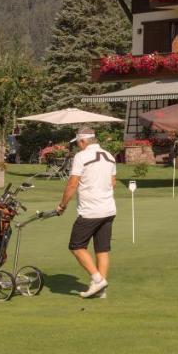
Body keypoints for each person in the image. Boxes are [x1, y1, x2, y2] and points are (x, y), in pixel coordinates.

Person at [56, 127, 117, 299]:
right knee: (102, 249)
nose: (78, 146)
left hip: (90, 212)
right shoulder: (109, 156)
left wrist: (62, 205)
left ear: (82, 141)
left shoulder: (81, 156)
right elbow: (113, 182)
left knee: (76, 246)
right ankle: (101, 290)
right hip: (109, 210)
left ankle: (97, 280)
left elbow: (72, 184)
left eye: (77, 143)